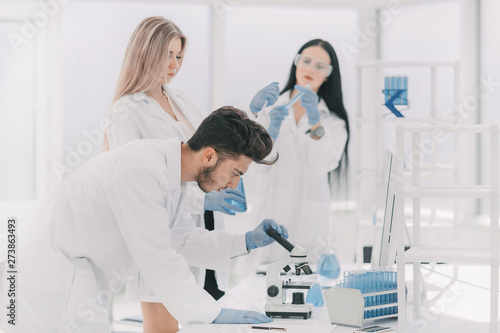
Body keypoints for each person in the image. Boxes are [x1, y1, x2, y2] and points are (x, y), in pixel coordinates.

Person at [15, 107, 288, 333]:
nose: (233, 184)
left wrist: (247, 241)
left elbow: (180, 237)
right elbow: (157, 256)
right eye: (236, 172)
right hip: (47, 281)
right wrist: (212, 312)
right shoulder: (142, 169)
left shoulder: (169, 174)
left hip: (69, 280)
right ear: (209, 156)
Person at [104, 17, 279, 332]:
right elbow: (133, 183)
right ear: (144, 53)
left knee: (197, 319)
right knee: (164, 325)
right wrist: (205, 201)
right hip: (160, 230)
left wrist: (251, 117)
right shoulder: (125, 111)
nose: (174, 65)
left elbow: (210, 149)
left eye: (179, 56)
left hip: (194, 229)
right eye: (167, 55)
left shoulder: (181, 101)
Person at [247, 39, 350, 264]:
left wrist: (316, 124)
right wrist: (269, 130)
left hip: (309, 226)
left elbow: (324, 163)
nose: (311, 69)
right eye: (306, 61)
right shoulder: (270, 109)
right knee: (259, 287)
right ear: (297, 63)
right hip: (269, 214)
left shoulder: (333, 122)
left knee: (306, 287)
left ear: (328, 75)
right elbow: (248, 163)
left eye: (320, 66)